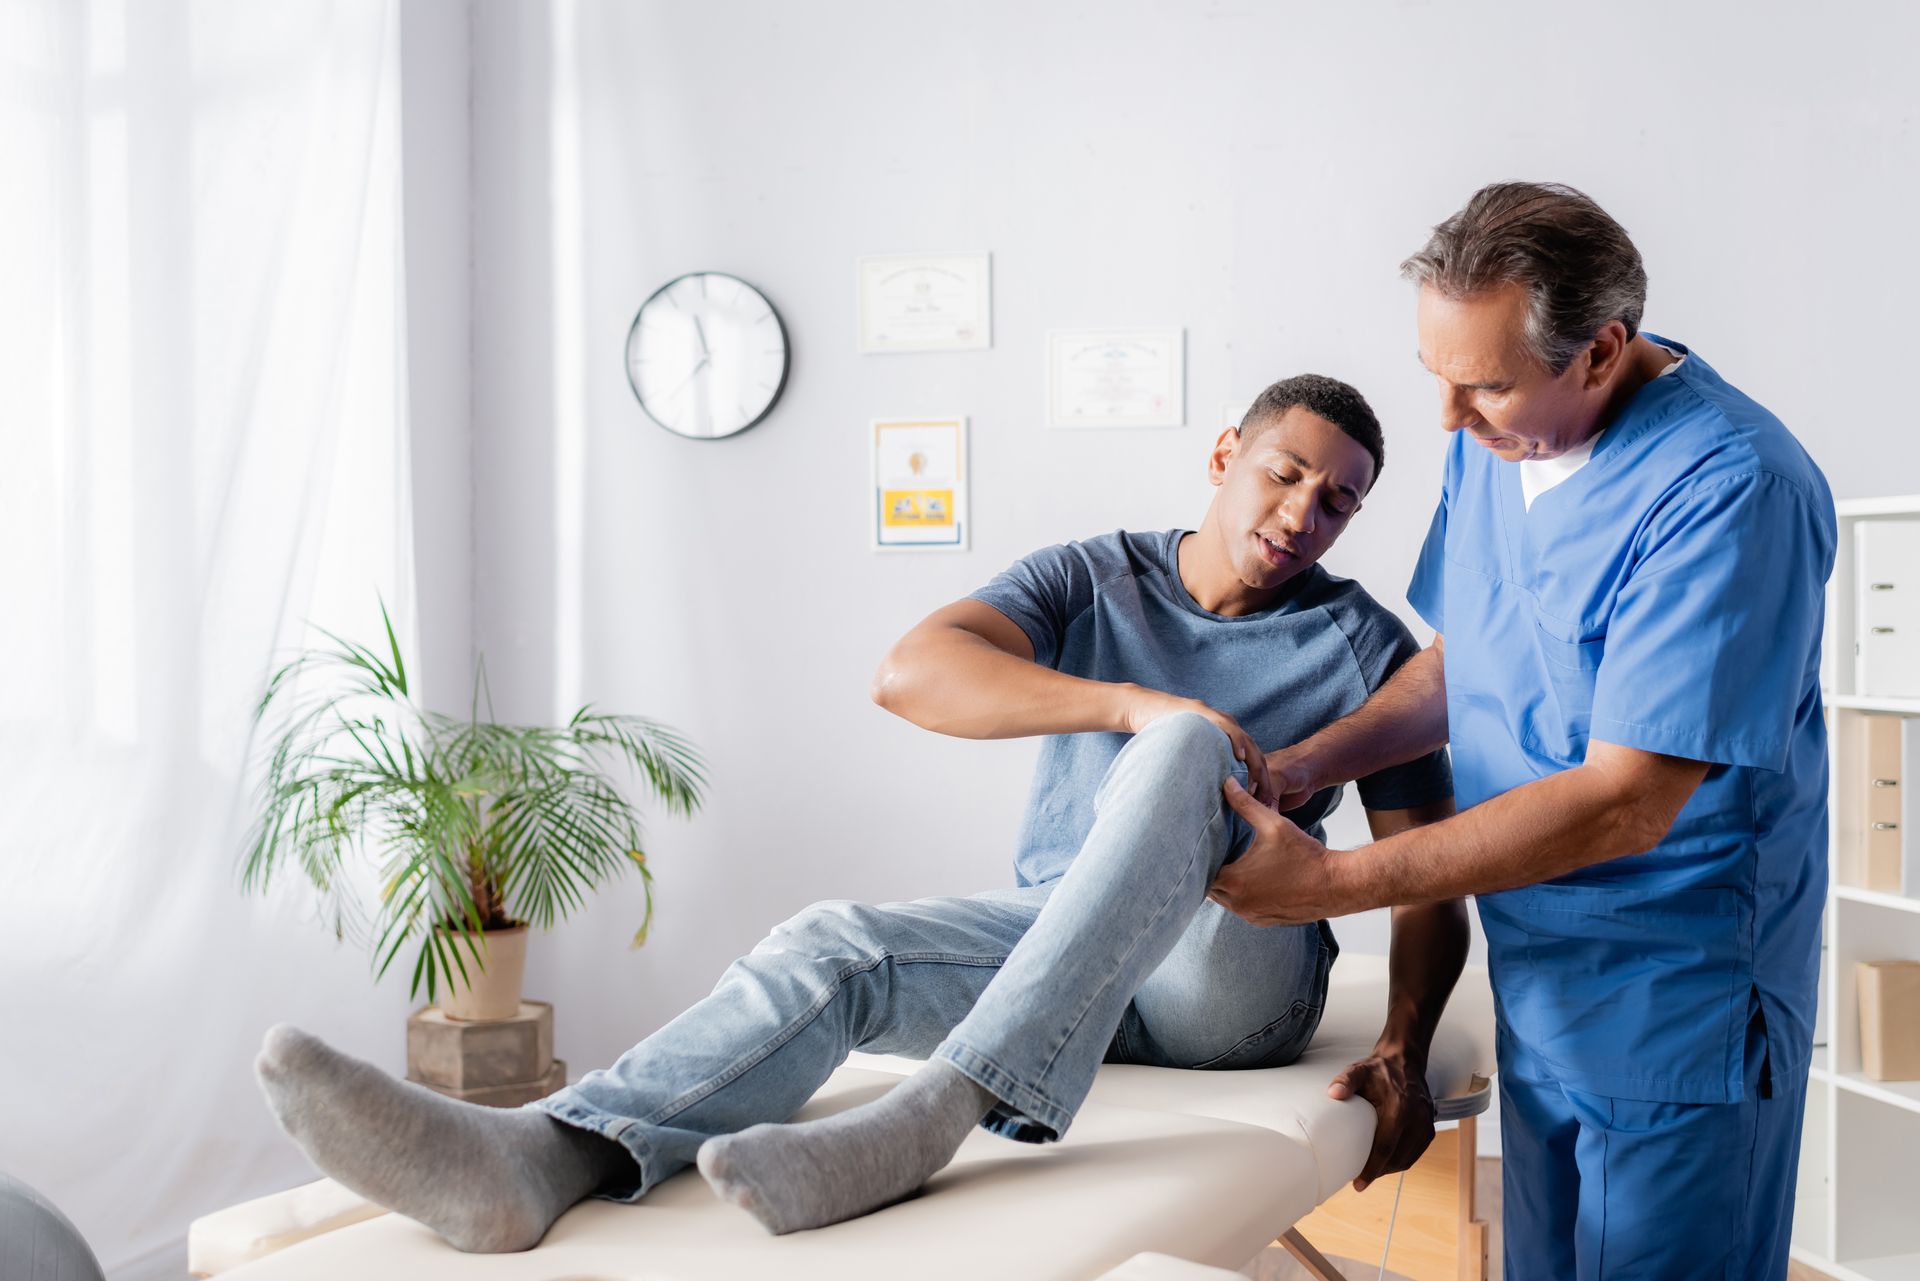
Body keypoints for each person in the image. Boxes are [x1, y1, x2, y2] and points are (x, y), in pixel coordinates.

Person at [253, 374, 1465, 1251]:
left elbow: (1427, 876)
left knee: (1195, 745)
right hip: (1059, 936)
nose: (1306, 511)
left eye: (1341, 501)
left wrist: (1404, 1043)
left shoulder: (1359, 640)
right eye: (1286, 471)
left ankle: (937, 1112)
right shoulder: (1091, 575)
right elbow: (912, 673)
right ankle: (546, 1154)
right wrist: (1127, 703)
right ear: (1223, 457)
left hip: (1227, 985)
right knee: (838, 943)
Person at [1208, 184, 1834, 1279]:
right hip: (1541, 975)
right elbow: (1467, 660)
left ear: (1600, 351)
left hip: (1673, 995)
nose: (1449, 417)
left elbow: (1627, 797)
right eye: (1437, 378)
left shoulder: (1733, 490)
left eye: (1486, 383)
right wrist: (1305, 764)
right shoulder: (1496, 436)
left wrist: (1330, 883)